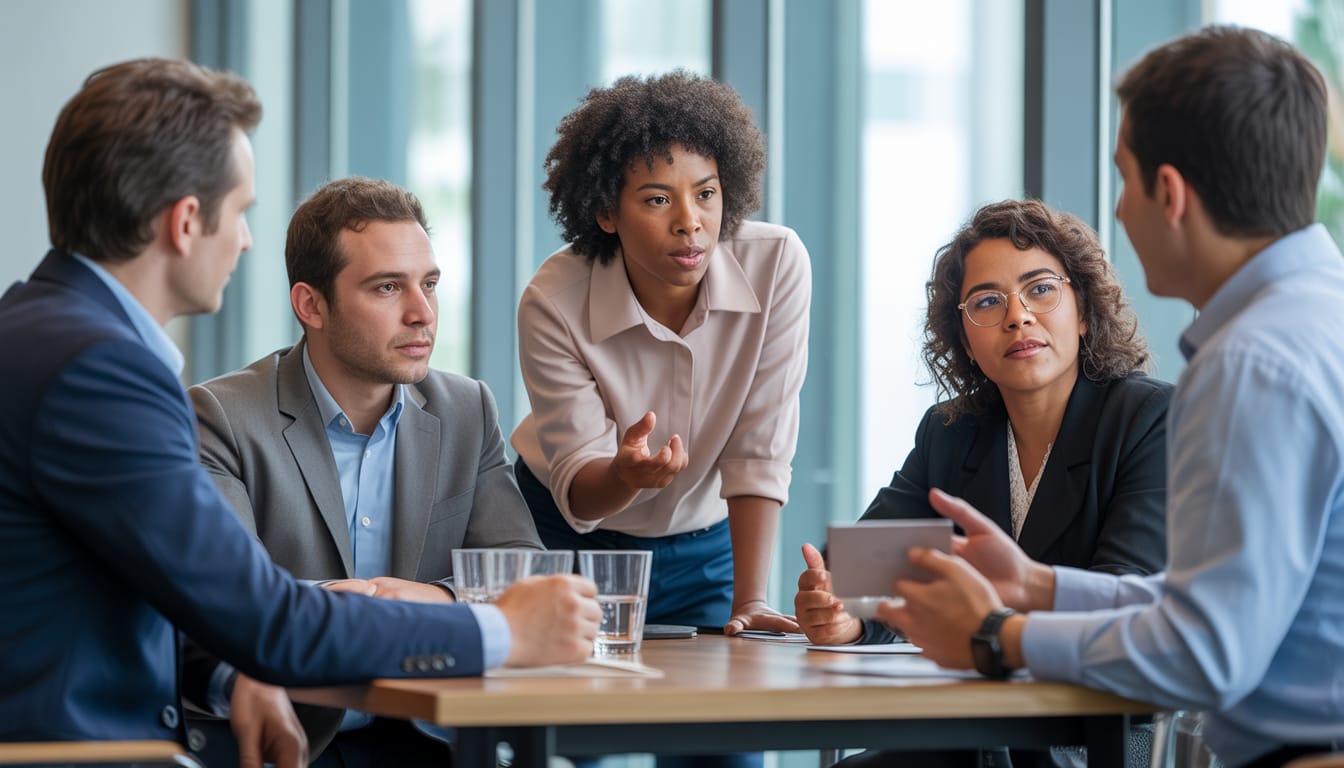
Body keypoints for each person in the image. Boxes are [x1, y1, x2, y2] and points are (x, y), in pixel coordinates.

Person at [0, 57, 600, 767]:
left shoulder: (37, 329)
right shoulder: (100, 373)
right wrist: (500, 633)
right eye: (243, 211)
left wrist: (238, 670)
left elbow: (176, 602)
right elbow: (268, 621)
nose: (247, 240)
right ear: (187, 222)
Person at [879, 26, 1344, 768]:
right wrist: (1035, 586)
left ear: (1170, 193)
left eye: (1123, 179)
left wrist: (997, 635)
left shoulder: (1252, 363)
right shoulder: (1318, 316)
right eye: (988, 302)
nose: (1119, 213)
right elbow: (1213, 602)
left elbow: (1203, 652)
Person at [795, 199, 1170, 768]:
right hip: (968, 729)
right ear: (967, 341)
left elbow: (1122, 594)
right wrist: (846, 616)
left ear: (1085, 310)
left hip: (1087, 737)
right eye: (988, 302)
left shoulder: (1148, 419)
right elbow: (862, 564)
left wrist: (981, 621)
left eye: (1041, 289)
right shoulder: (952, 432)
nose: (1018, 316)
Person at [185, 177, 544, 766]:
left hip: (430, 736)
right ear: (311, 305)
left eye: (429, 284)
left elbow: (522, 575)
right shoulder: (221, 416)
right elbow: (226, 608)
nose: (422, 313)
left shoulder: (466, 409)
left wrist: (428, 597)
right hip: (285, 738)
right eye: (387, 288)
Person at [510, 71, 810, 637]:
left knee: (713, 708)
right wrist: (626, 474)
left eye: (706, 193)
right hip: (569, 536)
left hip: (706, 544)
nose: (689, 222)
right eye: (656, 199)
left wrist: (752, 599)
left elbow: (760, 443)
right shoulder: (553, 300)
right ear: (607, 213)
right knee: (578, 709)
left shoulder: (777, 264)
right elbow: (577, 478)